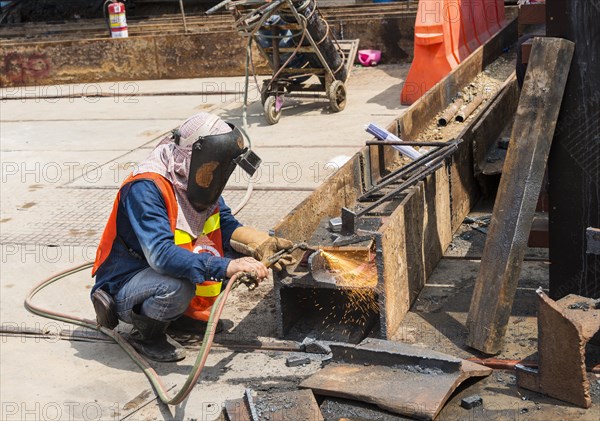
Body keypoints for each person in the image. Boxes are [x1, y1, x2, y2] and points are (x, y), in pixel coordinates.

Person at [90, 113, 296, 362]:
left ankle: (180, 319)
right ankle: (146, 336)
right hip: (125, 281)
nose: (213, 175)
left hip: (158, 269)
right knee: (179, 285)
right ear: (195, 157)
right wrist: (226, 266)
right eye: (210, 167)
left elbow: (223, 223)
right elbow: (162, 256)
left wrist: (258, 243)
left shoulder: (191, 177)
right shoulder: (145, 188)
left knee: (233, 255)